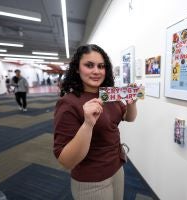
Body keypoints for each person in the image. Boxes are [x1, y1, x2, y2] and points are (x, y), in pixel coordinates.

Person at [53, 44, 137, 200]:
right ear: (77, 69)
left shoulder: (108, 94)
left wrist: (132, 104)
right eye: (89, 65)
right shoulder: (69, 103)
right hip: (92, 179)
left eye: (101, 66)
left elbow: (128, 117)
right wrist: (88, 124)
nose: (97, 71)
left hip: (117, 167)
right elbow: (66, 161)